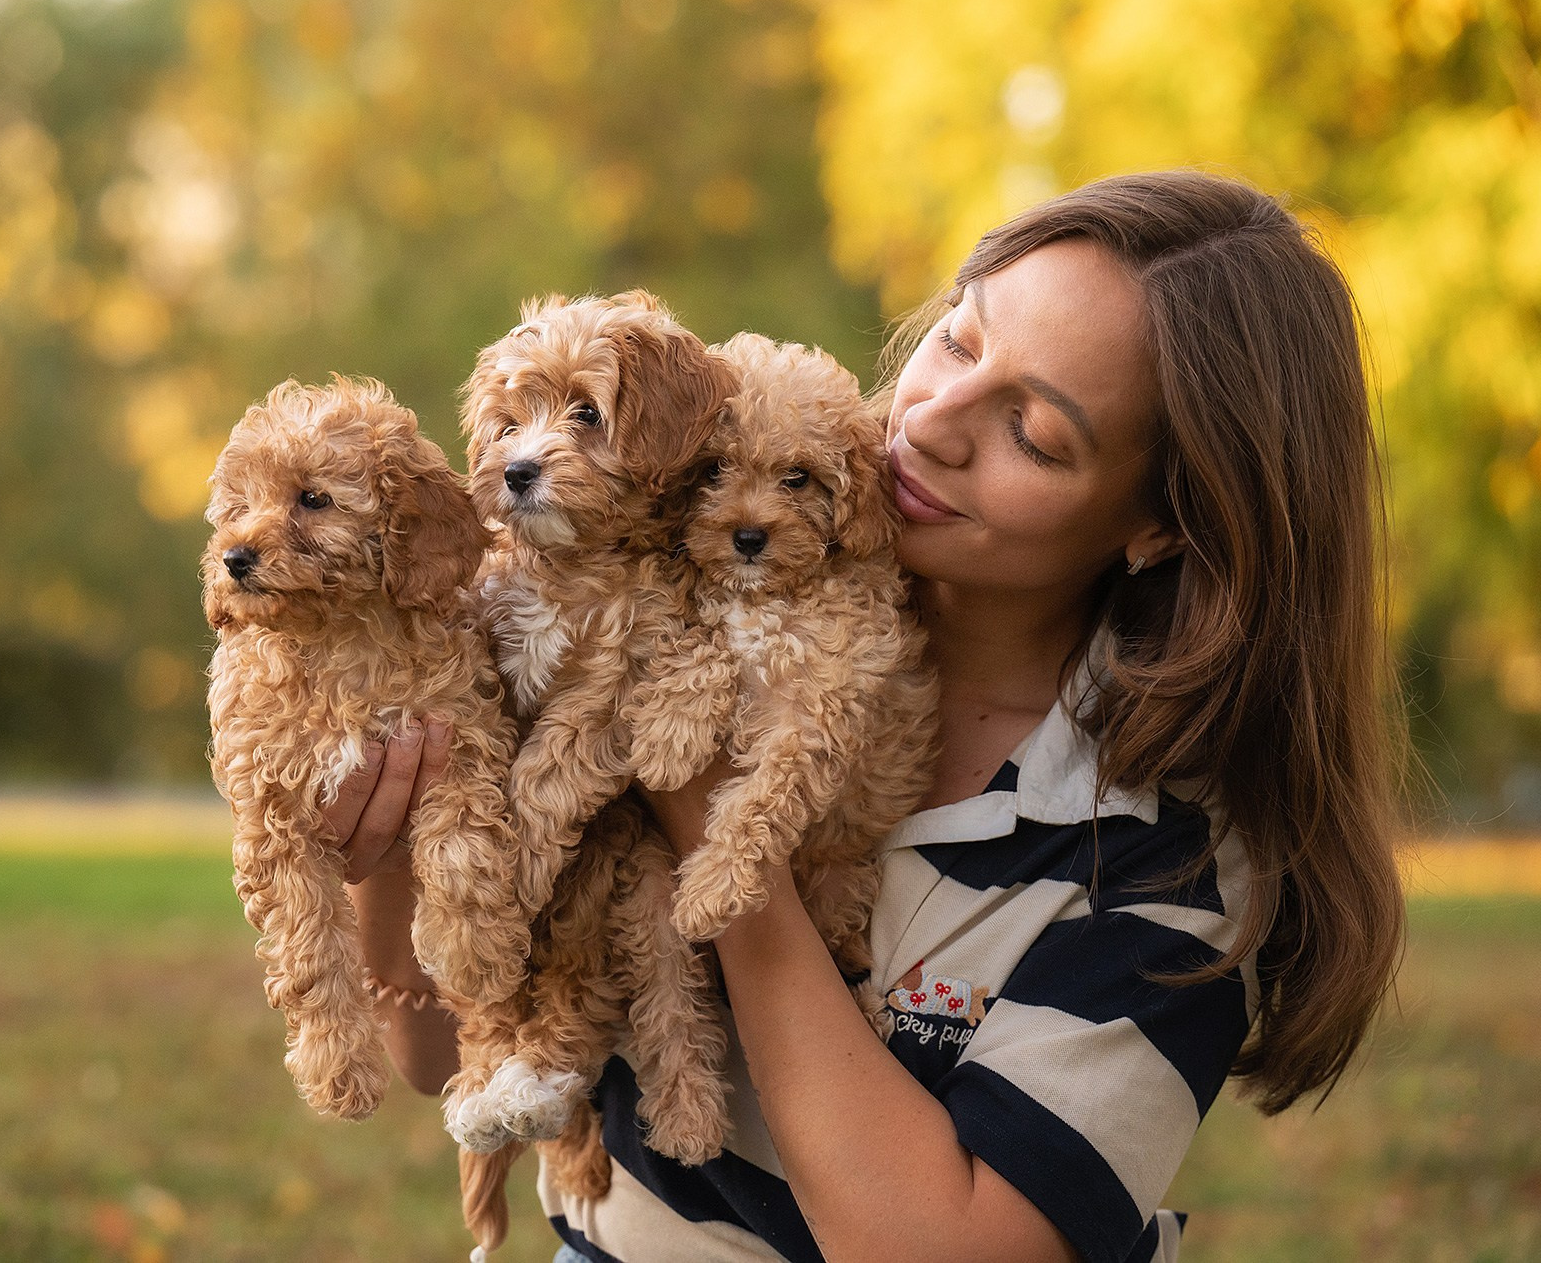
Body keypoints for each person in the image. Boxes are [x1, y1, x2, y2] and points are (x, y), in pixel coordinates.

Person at [325, 170, 1410, 1262]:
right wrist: (391, 850)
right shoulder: (675, 571)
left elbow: (933, 1248)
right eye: (956, 340)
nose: (930, 423)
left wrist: (705, 807)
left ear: (1162, 525)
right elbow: (430, 1051)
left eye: (1030, 432)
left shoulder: (1160, 852)